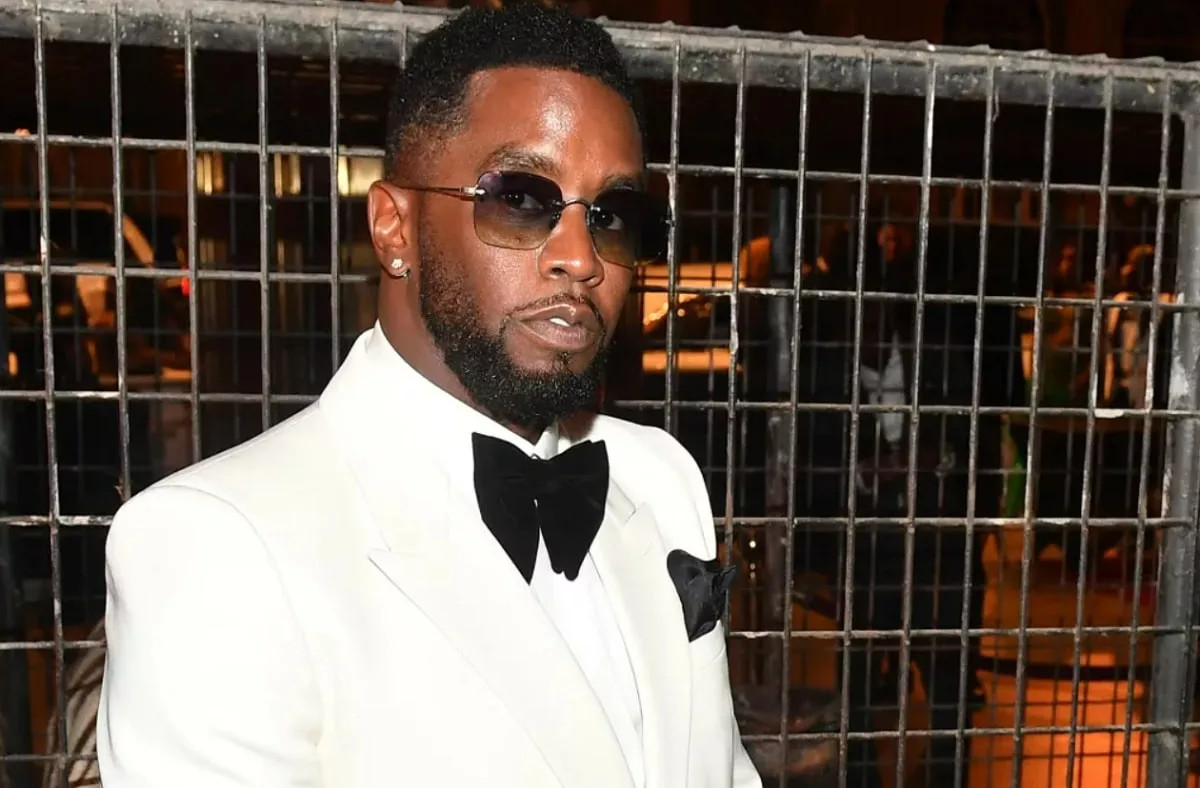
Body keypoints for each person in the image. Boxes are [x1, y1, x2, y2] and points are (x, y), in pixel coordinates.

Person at [94, 5, 761, 787]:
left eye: (611, 216)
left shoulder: (660, 479)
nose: (581, 258)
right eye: (521, 199)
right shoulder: (218, 546)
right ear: (394, 229)